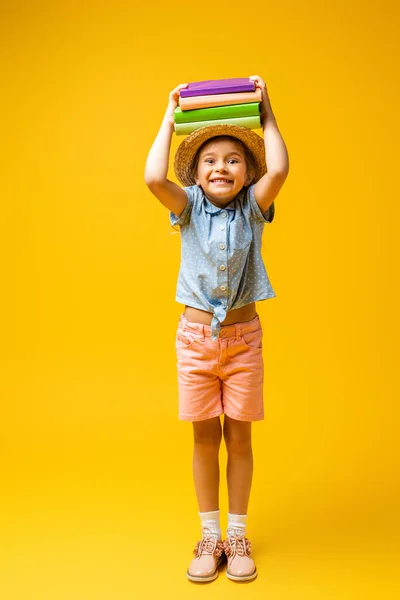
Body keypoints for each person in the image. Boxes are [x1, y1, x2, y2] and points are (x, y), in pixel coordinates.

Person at [144, 75, 289, 582]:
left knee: (241, 440)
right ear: (197, 173)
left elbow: (283, 167)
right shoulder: (185, 210)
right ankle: (209, 535)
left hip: (244, 342)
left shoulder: (253, 208)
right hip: (195, 343)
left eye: (232, 160)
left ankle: (236, 534)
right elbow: (152, 178)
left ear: (248, 172)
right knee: (205, 439)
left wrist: (265, 109)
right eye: (209, 160)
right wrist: (169, 116)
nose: (220, 167)